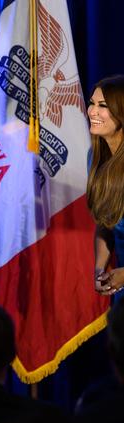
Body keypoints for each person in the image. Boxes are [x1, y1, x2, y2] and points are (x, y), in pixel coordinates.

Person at [86, 75, 124, 298]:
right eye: (92, 103)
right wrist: (99, 269)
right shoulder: (95, 157)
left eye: (103, 106)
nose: (92, 111)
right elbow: (105, 224)